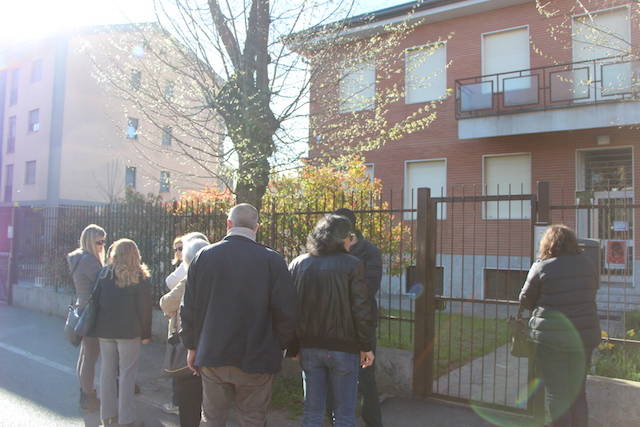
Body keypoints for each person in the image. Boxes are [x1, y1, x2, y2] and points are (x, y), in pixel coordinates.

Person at [181, 203, 297, 427]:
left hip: (213, 353)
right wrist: (279, 346)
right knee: (253, 419)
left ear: (228, 224)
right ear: (257, 227)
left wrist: (192, 346)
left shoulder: (203, 256)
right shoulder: (272, 260)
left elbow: (190, 308)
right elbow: (286, 311)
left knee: (212, 419)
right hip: (258, 355)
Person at [289, 214, 376, 427]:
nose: (351, 241)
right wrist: (366, 346)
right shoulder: (353, 264)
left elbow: (290, 309)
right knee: (344, 415)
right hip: (344, 349)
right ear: (342, 238)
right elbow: (361, 309)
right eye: (349, 237)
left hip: (309, 347)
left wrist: (293, 347)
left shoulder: (299, 264)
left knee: (312, 411)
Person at [519, 225, 600, 427]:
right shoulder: (588, 265)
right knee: (578, 392)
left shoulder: (541, 266)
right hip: (583, 338)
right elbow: (592, 292)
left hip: (550, 340)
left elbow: (525, 300)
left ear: (547, 243)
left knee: (557, 393)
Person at [90, 239, 153, 427]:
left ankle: (107, 416)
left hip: (105, 330)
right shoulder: (140, 277)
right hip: (129, 332)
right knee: (127, 375)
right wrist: (146, 333)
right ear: (135, 254)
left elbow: (95, 302)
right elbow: (145, 309)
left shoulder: (103, 274)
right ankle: (126, 419)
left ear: (114, 254)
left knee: (106, 371)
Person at [334, 208, 383, 427]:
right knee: (333, 377)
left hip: (363, 324)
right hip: (334, 324)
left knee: (366, 377)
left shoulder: (369, 251)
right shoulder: (329, 251)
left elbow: (369, 287)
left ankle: (372, 421)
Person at [160, 237, 209, 427]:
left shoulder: (189, 279)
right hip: (216, 346)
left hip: (192, 347)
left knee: (189, 404)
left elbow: (166, 303)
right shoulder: (220, 277)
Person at [67, 224, 106, 411]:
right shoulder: (89, 260)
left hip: (82, 308)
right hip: (91, 311)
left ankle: (85, 392)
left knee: (85, 355)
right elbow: (102, 284)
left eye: (103, 241)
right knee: (90, 356)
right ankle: (88, 397)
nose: (102, 245)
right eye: (99, 242)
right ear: (91, 241)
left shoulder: (77, 258)